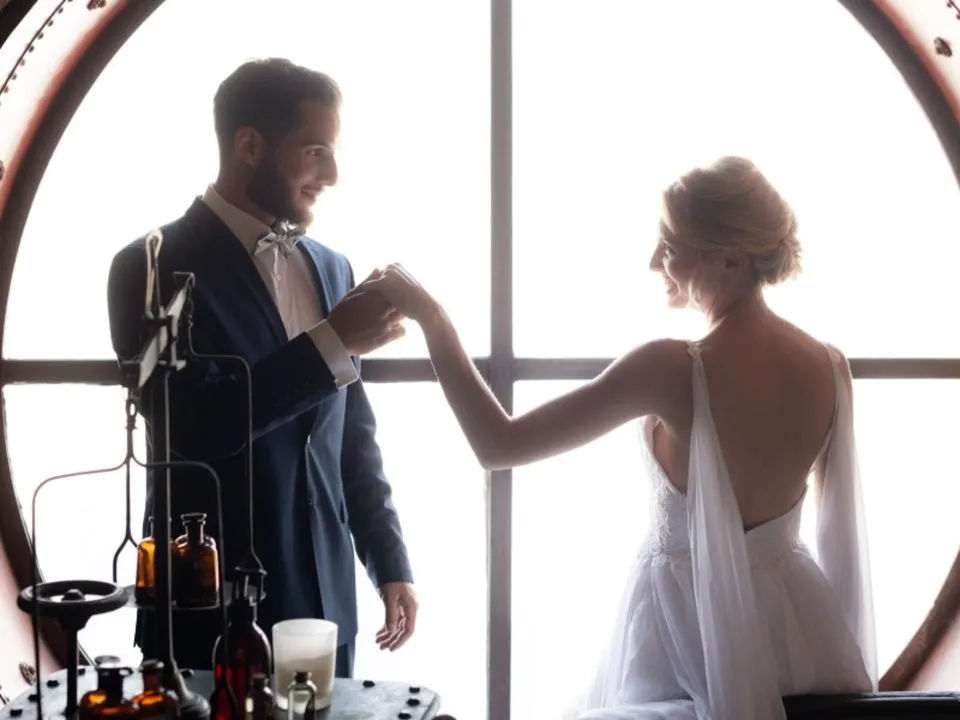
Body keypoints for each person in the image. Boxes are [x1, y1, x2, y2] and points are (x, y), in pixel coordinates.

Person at [364, 156, 878, 719]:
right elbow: (840, 538)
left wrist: (433, 319)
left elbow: (499, 445)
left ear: (732, 257)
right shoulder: (829, 366)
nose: (654, 261)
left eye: (670, 244)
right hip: (794, 630)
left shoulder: (675, 368)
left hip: (685, 634)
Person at [106, 58, 418, 676]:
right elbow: (190, 424)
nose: (332, 175)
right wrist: (331, 342)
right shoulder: (147, 265)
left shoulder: (334, 268)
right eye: (315, 152)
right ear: (249, 146)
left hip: (328, 609)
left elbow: (352, 439)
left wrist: (390, 563)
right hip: (207, 609)